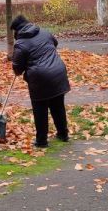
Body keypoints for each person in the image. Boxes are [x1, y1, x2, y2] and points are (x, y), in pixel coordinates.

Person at [10, 14, 71, 148]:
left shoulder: (20, 44)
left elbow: (17, 69)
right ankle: (63, 134)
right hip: (58, 72)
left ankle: (42, 141)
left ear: (16, 31)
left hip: (40, 78)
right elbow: (55, 43)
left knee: (40, 109)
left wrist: (18, 66)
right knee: (58, 105)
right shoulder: (44, 32)